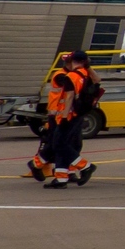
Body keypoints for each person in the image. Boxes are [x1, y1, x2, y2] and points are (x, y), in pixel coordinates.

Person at [32, 52, 97, 189]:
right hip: (59, 115)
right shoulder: (64, 75)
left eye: (69, 60)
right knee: (58, 144)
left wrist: (65, 116)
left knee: (62, 144)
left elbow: (69, 96)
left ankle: (65, 174)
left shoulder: (74, 75)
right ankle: (67, 172)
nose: (68, 63)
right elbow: (95, 81)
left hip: (66, 115)